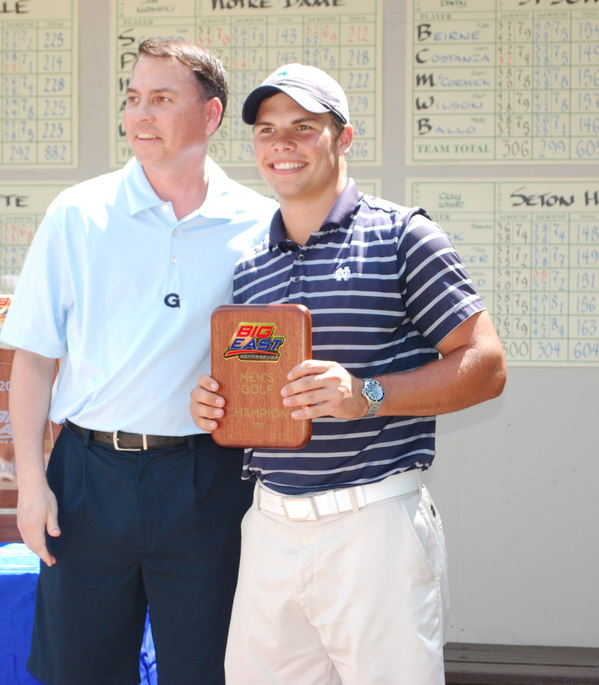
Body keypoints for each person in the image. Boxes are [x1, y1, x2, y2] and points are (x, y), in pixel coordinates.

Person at [190, 64, 508, 684]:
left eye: (303, 127)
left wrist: (366, 395)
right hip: (269, 526)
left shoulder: (405, 236)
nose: (282, 144)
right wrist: (216, 403)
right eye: (266, 129)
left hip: (374, 526)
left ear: (344, 137)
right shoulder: (250, 262)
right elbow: (254, 384)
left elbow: (486, 365)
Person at [1, 40, 276, 685]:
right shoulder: (77, 214)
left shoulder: (261, 224)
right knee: (81, 671)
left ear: (210, 117)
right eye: (132, 99)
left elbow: (268, 353)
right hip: (88, 481)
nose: (139, 116)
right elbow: (35, 359)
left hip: (209, 483)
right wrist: (30, 485)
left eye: (161, 99)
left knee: (210, 671)